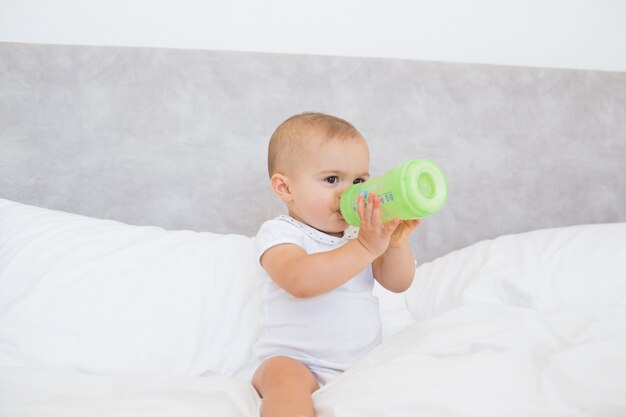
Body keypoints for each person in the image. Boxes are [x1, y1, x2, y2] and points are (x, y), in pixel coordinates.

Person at [252, 112, 420, 417]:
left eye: (359, 181)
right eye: (332, 179)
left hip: (359, 363)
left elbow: (398, 282)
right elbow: (300, 281)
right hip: (298, 362)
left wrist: (394, 244)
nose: (349, 193)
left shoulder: (360, 233)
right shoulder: (281, 233)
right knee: (282, 378)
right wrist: (365, 247)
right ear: (285, 188)